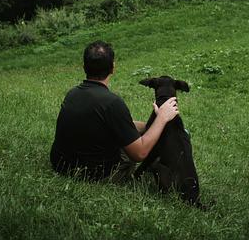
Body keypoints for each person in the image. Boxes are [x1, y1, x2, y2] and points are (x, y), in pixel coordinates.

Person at [50, 40, 179, 181]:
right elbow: (139, 153)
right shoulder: (112, 103)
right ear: (113, 68)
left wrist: (149, 126)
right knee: (147, 144)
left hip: (61, 165)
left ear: (84, 67)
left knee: (139, 131)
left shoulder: (72, 93)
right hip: (94, 174)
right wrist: (161, 119)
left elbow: (107, 123)